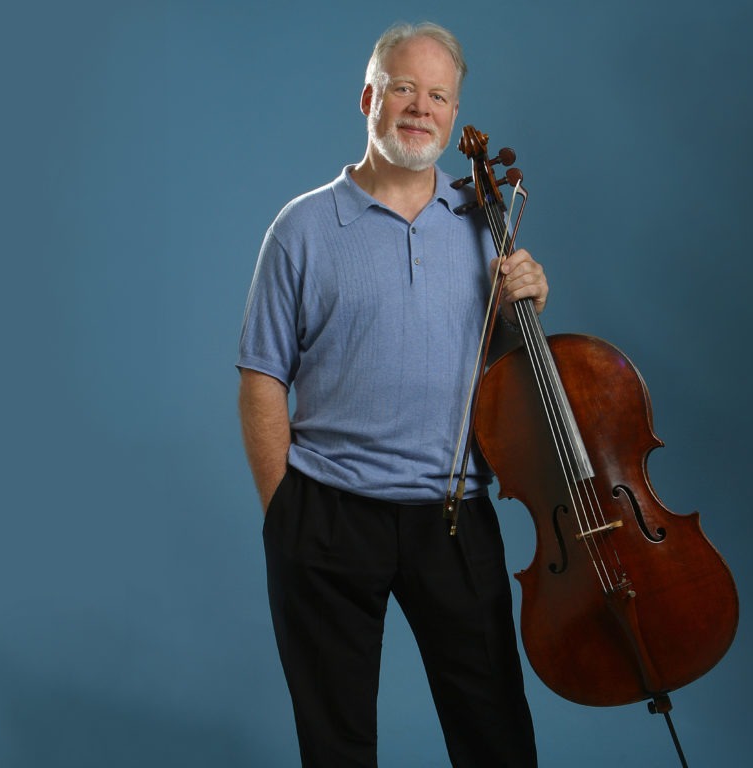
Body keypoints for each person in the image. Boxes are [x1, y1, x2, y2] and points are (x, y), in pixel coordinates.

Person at [236, 21, 547, 768]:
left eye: (439, 95)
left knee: (496, 739)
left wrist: (526, 307)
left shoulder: (484, 223)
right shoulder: (302, 228)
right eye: (404, 87)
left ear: (454, 110)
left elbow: (508, 372)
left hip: (454, 512)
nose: (421, 107)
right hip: (329, 515)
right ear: (370, 97)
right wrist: (287, 514)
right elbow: (261, 376)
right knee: (336, 743)